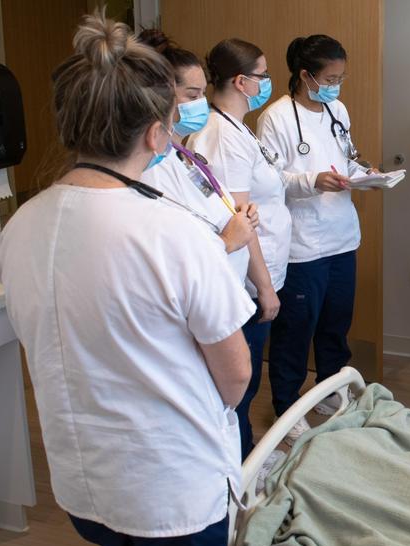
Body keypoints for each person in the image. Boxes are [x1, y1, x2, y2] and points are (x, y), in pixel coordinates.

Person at [0, 12, 254, 546]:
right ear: (156, 133)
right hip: (171, 488)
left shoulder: (22, 226)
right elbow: (235, 378)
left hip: (86, 478)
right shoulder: (173, 234)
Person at [188, 37, 349, 447]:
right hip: (255, 269)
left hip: (271, 260)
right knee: (242, 377)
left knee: (246, 377)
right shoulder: (227, 133)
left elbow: (257, 198)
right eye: (261, 75)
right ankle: (248, 456)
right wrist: (263, 287)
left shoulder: (236, 129)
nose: (267, 81)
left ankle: (244, 453)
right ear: (242, 82)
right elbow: (241, 221)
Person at [135, 30, 278, 460]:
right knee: (226, 395)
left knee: (237, 396)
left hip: (228, 290)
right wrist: (227, 239)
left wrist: (238, 223)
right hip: (204, 302)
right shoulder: (149, 171)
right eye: (193, 93)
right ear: (161, 96)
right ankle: (238, 467)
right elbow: (173, 258)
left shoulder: (184, 156)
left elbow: (218, 211)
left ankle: (245, 458)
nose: (202, 102)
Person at [256, 34, 363, 420]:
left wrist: (367, 175)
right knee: (295, 334)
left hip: (342, 239)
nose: (336, 86)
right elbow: (268, 181)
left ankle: (330, 393)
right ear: (306, 76)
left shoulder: (339, 112)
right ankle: (287, 406)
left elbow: (348, 160)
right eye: (330, 78)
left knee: (335, 328)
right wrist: (310, 181)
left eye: (340, 78)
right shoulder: (276, 117)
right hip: (303, 245)